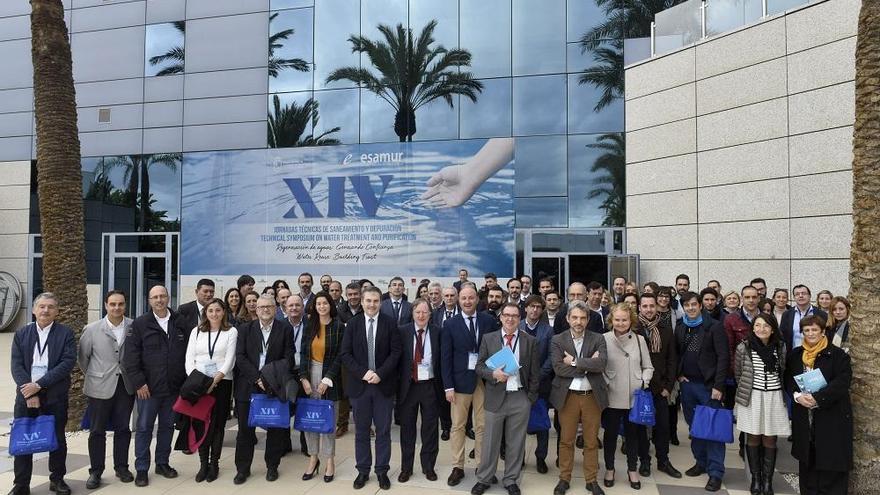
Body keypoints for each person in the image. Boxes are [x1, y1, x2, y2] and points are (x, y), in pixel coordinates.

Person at [10, 293, 77, 495]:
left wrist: (38, 385)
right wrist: (29, 393)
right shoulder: (22, 333)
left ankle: (57, 480)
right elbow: (16, 365)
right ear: (33, 310)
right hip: (26, 396)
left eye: (50, 307)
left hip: (54, 395)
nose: (45, 310)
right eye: (41, 306)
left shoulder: (65, 333)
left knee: (57, 439)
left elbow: (67, 363)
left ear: (57, 311)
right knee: (24, 439)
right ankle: (21, 484)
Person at [471, 303, 540, 495]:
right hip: (495, 396)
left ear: (520, 319)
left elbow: (535, 373)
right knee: (490, 441)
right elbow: (479, 367)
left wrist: (530, 399)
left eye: (515, 316)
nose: (510, 319)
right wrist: (493, 374)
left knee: (516, 442)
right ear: (500, 317)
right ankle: (484, 478)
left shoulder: (530, 341)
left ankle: (511, 479)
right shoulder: (489, 338)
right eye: (507, 315)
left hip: (519, 397)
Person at [123, 285, 187, 487]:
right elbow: (130, 358)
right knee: (143, 428)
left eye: (162, 296)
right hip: (147, 390)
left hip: (173, 388)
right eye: (155, 297)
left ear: (168, 298)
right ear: (149, 301)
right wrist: (139, 383)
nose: (159, 300)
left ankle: (162, 463)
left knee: (167, 427)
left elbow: (188, 353)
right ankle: (142, 468)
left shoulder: (181, 322)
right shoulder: (140, 324)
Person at [340, 286, 402, 490]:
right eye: (368, 301)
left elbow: (396, 353)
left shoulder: (390, 323)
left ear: (380, 302)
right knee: (361, 432)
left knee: (383, 431)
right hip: (360, 387)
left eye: (376, 301)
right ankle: (363, 470)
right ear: (362, 301)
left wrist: (380, 374)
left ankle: (382, 470)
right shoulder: (353, 324)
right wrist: (363, 373)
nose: (372, 304)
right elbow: (345, 354)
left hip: (383, 386)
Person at [786, 315, 852, 495]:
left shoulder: (838, 355)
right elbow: (789, 380)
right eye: (806, 330)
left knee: (830, 460)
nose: (811, 333)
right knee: (808, 459)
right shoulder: (795, 355)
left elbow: (842, 381)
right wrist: (797, 396)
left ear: (823, 332)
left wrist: (818, 398)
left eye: (815, 330)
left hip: (831, 415)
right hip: (804, 415)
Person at [232, 295, 294, 485]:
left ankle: (272, 467)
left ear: (275, 309)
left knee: (274, 429)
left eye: (269, 306)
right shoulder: (244, 329)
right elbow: (240, 357)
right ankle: (243, 469)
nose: (265, 310)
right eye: (261, 307)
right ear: (255, 310)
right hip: (248, 386)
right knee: (245, 430)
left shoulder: (285, 329)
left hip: (274, 386)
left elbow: (289, 358)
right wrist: (258, 378)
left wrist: (268, 377)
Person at [550, 301, 608, 495]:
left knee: (591, 441)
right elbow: (558, 368)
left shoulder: (598, 338)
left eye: (583, 318)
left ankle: (591, 480)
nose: (578, 321)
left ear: (588, 320)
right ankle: (564, 478)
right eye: (574, 317)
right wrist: (587, 366)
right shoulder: (558, 339)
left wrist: (574, 362)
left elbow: (601, 364)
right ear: (567, 318)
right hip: (568, 397)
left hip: (592, 397)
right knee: (566, 440)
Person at [79, 290, 136, 489]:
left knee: (123, 428)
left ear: (125, 305)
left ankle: (121, 467)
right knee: (97, 430)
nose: (117, 308)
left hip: (125, 386)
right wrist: (98, 375)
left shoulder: (133, 326)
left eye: (120, 304)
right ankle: (95, 471)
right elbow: (83, 359)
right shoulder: (92, 329)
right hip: (99, 386)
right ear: (105, 305)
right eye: (112, 304)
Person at [441, 285, 497, 487]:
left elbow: (494, 351)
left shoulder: (489, 321)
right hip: (459, 383)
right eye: (463, 298)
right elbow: (445, 358)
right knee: (458, 426)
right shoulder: (450, 324)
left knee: (483, 426)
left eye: (471, 298)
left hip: (483, 381)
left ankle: (482, 466)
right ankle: (458, 466)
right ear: (458, 300)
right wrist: (448, 386)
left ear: (477, 299)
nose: (467, 301)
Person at [674, 291, 729, 492]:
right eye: (686, 305)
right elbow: (677, 354)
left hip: (709, 387)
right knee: (695, 427)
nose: (690, 308)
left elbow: (724, 357)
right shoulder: (680, 328)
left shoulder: (713, 327)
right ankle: (701, 462)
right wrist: (679, 375)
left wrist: (718, 386)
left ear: (700, 305)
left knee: (712, 429)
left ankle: (716, 472)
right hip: (688, 386)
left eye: (694, 304)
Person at [733, 313, 789, 495]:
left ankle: (768, 480)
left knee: (770, 438)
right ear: (753, 327)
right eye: (757, 325)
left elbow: (784, 371)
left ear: (772, 328)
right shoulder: (744, 347)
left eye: (766, 326)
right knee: (753, 436)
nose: (761, 329)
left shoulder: (780, 347)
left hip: (773, 397)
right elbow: (738, 373)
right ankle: (756, 479)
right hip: (752, 397)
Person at [184, 298, 237, 483]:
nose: (214, 314)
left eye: (218, 310)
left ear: (224, 312)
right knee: (200, 423)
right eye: (210, 310)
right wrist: (198, 381)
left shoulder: (231, 331)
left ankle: (214, 463)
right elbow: (189, 359)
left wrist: (216, 379)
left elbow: (230, 360)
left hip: (222, 383)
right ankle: (203, 464)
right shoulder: (196, 331)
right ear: (205, 313)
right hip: (199, 385)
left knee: (217, 425)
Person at [601, 303, 654, 490]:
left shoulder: (639, 340)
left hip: (634, 396)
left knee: (633, 436)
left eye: (624, 319)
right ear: (611, 320)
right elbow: (598, 366)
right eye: (617, 319)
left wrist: (643, 382)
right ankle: (610, 468)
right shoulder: (603, 339)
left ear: (630, 319)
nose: (621, 323)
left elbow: (648, 366)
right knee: (610, 435)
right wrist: (607, 381)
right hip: (612, 394)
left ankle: (633, 469)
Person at [298, 292, 345, 483]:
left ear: (330, 305)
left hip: (330, 378)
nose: (321, 306)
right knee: (310, 422)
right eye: (318, 303)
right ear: (314, 306)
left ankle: (330, 460)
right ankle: (313, 458)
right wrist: (303, 378)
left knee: (327, 423)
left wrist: (327, 379)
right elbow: (302, 353)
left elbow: (341, 356)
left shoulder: (338, 326)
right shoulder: (309, 326)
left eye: (324, 303)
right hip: (310, 375)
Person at [634, 293, 681, 479]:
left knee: (662, 427)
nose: (648, 309)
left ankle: (663, 461)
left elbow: (672, 360)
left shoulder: (665, 329)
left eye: (651, 306)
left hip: (660, 388)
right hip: (639, 387)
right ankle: (644, 461)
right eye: (644, 306)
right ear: (639, 307)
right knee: (641, 428)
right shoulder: (633, 328)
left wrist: (668, 387)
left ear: (656, 307)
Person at [396, 299, 443, 483]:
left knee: (430, 429)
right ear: (413, 314)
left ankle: (428, 466)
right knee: (407, 429)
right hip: (409, 387)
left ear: (430, 315)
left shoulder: (438, 332)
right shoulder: (402, 331)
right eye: (418, 312)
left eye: (425, 312)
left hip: (430, 386)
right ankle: (406, 468)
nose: (421, 316)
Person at [519, 294, 554, 473]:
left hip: (540, 382)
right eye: (531, 306)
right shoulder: (517, 326)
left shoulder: (547, 330)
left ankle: (541, 457)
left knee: (541, 423)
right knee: (517, 423)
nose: (535, 310)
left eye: (538, 307)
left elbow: (551, 356)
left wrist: (538, 375)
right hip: (518, 383)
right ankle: (519, 457)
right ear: (525, 308)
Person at [723, 286, 761, 413]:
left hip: (762, 372)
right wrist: (735, 372)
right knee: (739, 409)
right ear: (742, 299)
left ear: (759, 298)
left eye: (754, 297)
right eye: (747, 297)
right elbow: (728, 348)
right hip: (741, 372)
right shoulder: (731, 319)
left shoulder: (766, 318)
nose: (751, 300)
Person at [284, 294, 310, 454]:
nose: (294, 308)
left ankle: (306, 446)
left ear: (303, 307)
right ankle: (284, 444)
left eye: (297, 305)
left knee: (304, 409)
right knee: (285, 410)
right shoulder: (279, 325)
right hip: (286, 373)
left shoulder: (310, 325)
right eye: (291, 305)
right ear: (286, 308)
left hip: (305, 372)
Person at [780, 285, 828, 352]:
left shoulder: (821, 314)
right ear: (794, 297)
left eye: (803, 293)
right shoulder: (787, 315)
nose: (800, 296)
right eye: (797, 294)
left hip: (816, 354)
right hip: (794, 355)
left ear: (810, 296)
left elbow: (826, 335)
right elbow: (783, 337)